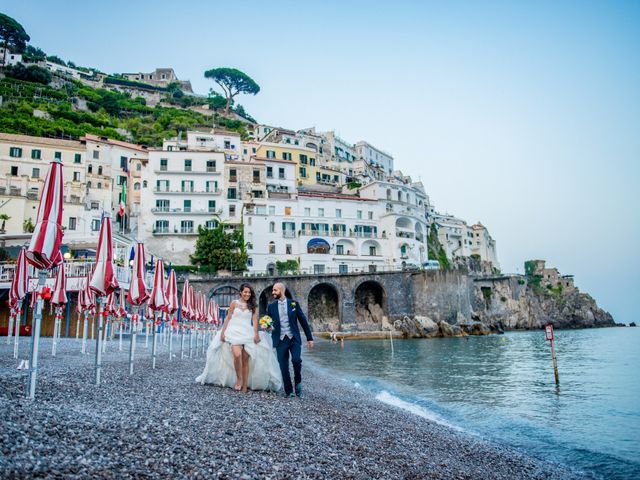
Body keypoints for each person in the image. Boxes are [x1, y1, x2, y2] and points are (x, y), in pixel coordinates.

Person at [196, 284, 282, 392]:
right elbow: (228, 318)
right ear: (240, 292)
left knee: (245, 359)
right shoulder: (234, 303)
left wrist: (256, 334)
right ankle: (239, 379)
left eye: (249, 292)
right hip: (233, 331)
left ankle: (245, 385)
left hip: (247, 332)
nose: (247, 294)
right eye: (245, 292)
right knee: (237, 354)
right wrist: (223, 332)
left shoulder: (252, 305)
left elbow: (255, 320)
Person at [267, 282, 314, 398]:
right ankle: (289, 391)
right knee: (283, 367)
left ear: (281, 291)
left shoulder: (293, 304)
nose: (273, 292)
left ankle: (298, 384)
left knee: (296, 360)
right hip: (280, 340)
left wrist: (309, 338)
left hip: (294, 339)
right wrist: (268, 327)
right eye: (273, 290)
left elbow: (302, 320)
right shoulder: (271, 307)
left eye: (275, 290)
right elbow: (270, 323)